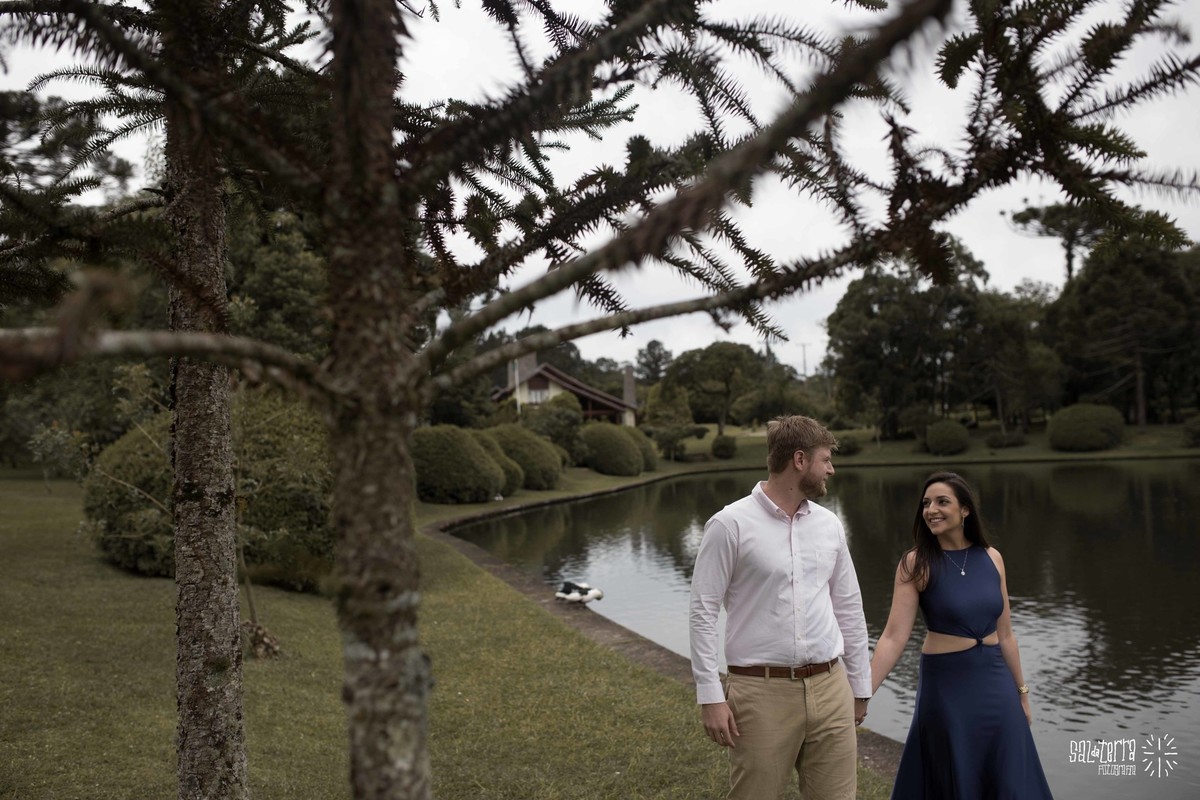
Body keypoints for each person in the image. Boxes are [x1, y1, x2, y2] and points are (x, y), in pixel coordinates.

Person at [689, 415, 871, 800]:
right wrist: (710, 695)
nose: (831, 470)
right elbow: (703, 614)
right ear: (800, 460)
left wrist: (859, 685)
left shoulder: (830, 525)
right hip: (760, 693)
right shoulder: (729, 525)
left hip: (831, 686)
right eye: (826, 460)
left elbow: (849, 607)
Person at [870, 471, 1052, 799]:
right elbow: (894, 637)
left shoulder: (992, 557)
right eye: (926, 503)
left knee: (1010, 779)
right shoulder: (916, 564)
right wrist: (863, 691)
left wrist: (1022, 694)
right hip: (947, 691)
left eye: (942, 502)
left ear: (965, 510)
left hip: (997, 687)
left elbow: (1007, 635)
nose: (931, 510)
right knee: (954, 778)